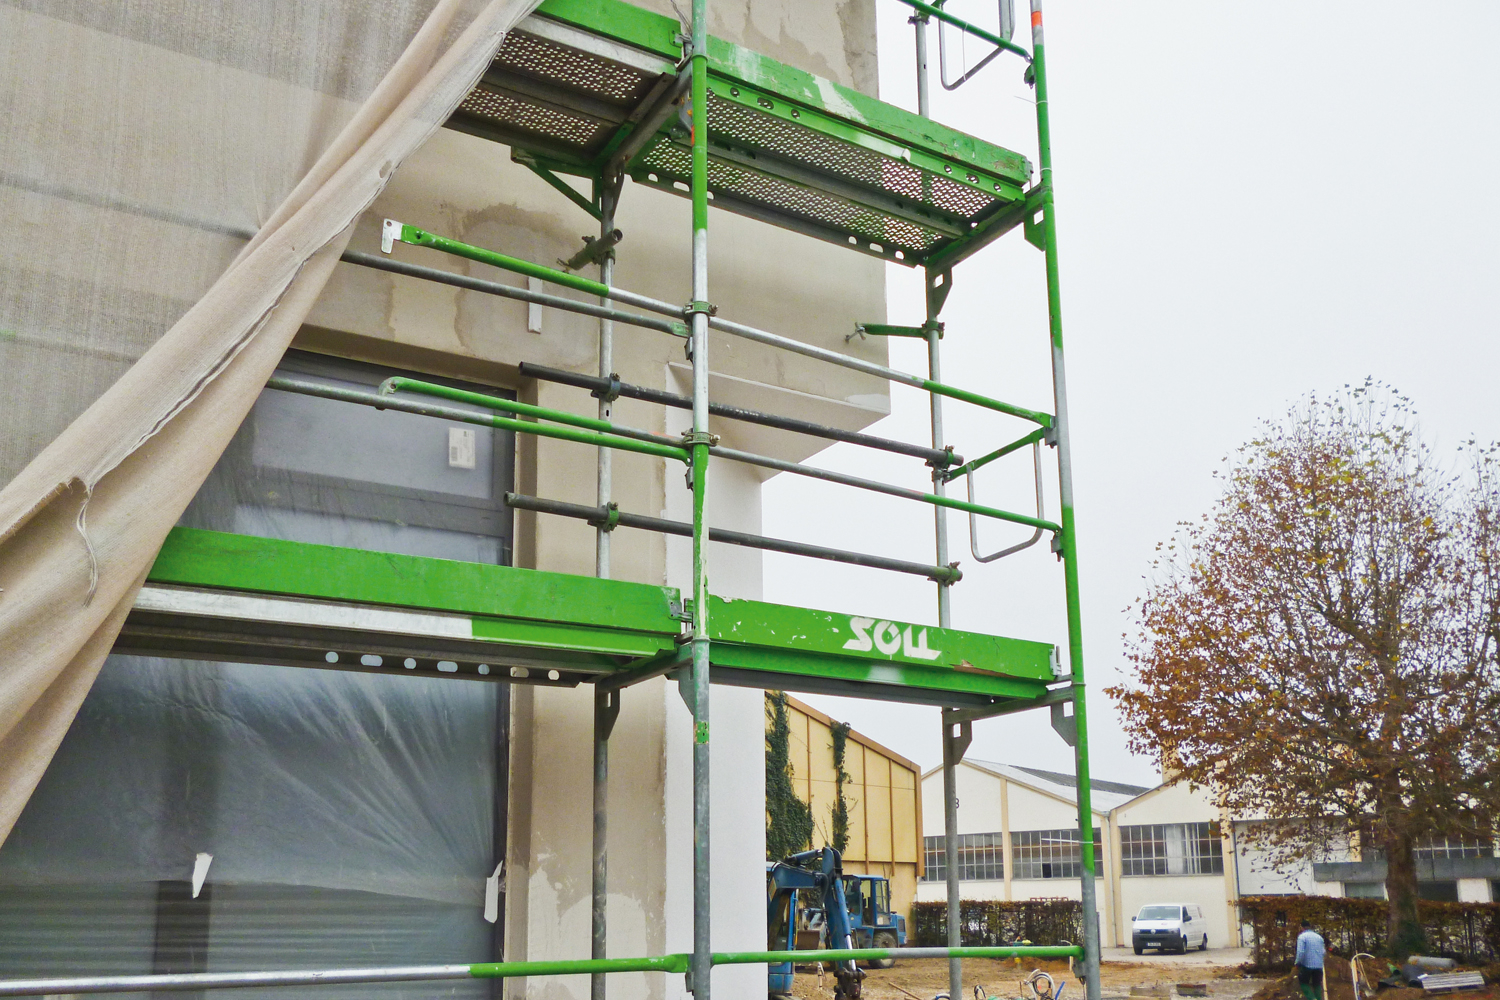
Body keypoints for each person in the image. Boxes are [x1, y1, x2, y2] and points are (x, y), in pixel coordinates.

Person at [1295, 919, 1326, 1000]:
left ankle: (1312, 998)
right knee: (1317, 984)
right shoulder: (1319, 937)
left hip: (1307, 965)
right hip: (1319, 966)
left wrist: (1297, 962)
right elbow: (1323, 952)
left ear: (1301, 927)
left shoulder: (1302, 937)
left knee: (1303, 983)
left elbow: (1300, 952)